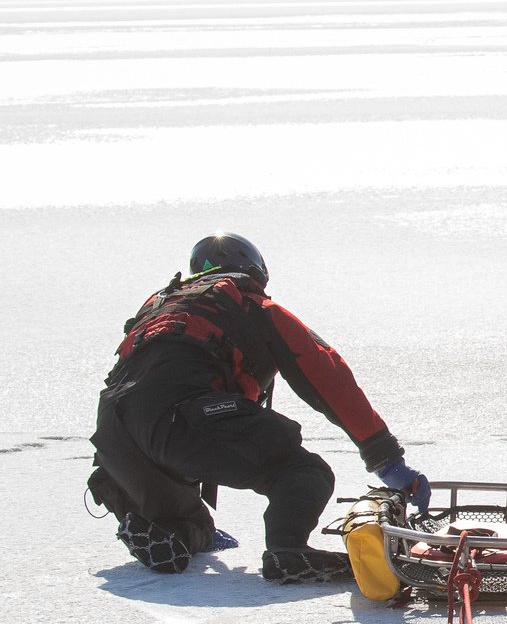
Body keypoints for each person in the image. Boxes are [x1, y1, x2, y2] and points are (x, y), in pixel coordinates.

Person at [88, 232, 431, 583]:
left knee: (190, 524)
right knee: (305, 474)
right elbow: (327, 377)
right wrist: (385, 459)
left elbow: (138, 390)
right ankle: (287, 549)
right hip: (182, 422)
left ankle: (171, 535)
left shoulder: (158, 310)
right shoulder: (254, 307)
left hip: (114, 439)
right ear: (255, 270)